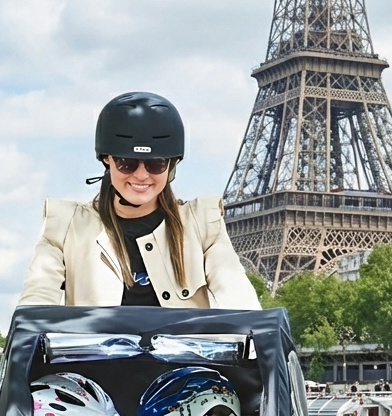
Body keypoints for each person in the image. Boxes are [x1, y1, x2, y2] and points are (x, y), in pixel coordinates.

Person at [19, 92, 260, 310]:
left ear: (171, 164)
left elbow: (238, 297)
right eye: (127, 163)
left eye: (156, 164)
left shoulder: (204, 224)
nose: (142, 175)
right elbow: (37, 300)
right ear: (107, 159)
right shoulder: (64, 226)